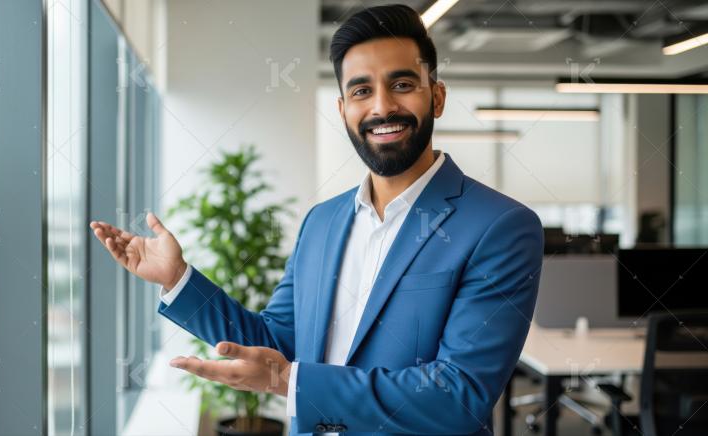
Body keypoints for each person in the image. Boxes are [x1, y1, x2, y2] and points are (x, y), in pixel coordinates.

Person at [90, 4, 543, 435]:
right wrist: (179, 279)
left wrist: (292, 383)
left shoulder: (500, 226)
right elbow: (280, 344)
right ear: (343, 109)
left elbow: (458, 396)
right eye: (362, 91)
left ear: (437, 97)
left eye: (402, 84)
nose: (382, 107)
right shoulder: (322, 222)